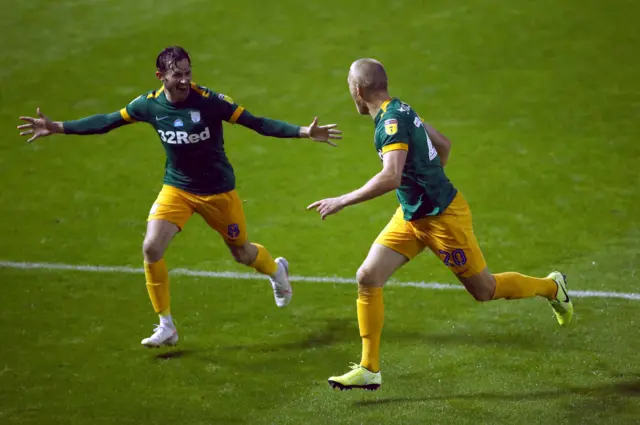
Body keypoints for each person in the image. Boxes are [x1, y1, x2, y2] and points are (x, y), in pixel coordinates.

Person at [17, 46, 342, 348]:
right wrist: (57, 126)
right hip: (178, 189)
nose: (185, 79)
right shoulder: (149, 105)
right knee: (151, 247)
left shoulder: (210, 101)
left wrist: (303, 131)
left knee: (242, 254)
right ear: (161, 76)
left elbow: (256, 123)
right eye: (177, 74)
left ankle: (277, 271)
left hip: (218, 193)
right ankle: (166, 325)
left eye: (188, 72)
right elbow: (107, 122)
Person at [307, 58, 572, 391]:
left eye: (349, 86)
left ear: (358, 90)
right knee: (368, 277)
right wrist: (428, 181)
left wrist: (341, 200)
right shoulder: (403, 109)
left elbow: (391, 176)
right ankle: (369, 368)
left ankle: (552, 287)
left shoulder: (390, 124)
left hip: (444, 220)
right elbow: (443, 145)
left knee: (484, 290)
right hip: (412, 215)